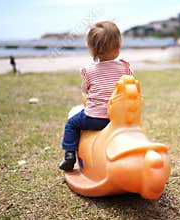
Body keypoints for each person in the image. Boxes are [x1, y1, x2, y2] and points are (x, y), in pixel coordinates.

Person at [59, 21, 134, 171]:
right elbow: (131, 84)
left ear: (92, 50)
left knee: (72, 124)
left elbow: (85, 91)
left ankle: (69, 155)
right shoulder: (125, 67)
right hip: (117, 118)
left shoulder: (88, 71)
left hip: (94, 118)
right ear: (118, 47)